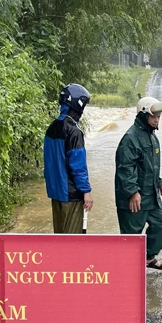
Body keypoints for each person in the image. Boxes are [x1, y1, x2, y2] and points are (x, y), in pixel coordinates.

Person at [115, 97, 162, 270]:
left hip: (151, 194)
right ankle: (126, 270)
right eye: (154, 116)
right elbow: (125, 167)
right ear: (143, 115)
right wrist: (132, 192)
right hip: (134, 196)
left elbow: (151, 165)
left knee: (160, 223)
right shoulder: (130, 138)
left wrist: (159, 181)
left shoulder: (152, 137)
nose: (157, 120)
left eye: (159, 117)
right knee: (131, 235)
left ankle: (148, 258)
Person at [44, 83, 94, 234]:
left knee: (59, 238)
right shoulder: (74, 132)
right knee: (73, 241)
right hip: (71, 195)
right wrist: (86, 191)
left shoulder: (52, 127)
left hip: (56, 193)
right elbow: (78, 167)